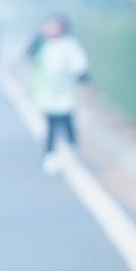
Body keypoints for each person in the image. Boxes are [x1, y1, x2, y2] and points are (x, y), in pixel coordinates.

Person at [26, 14, 90, 169]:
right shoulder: (42, 44)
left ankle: (72, 144)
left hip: (65, 90)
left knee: (66, 119)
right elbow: (29, 55)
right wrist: (39, 37)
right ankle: (50, 153)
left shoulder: (69, 45)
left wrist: (85, 82)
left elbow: (79, 64)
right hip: (47, 91)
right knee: (51, 123)